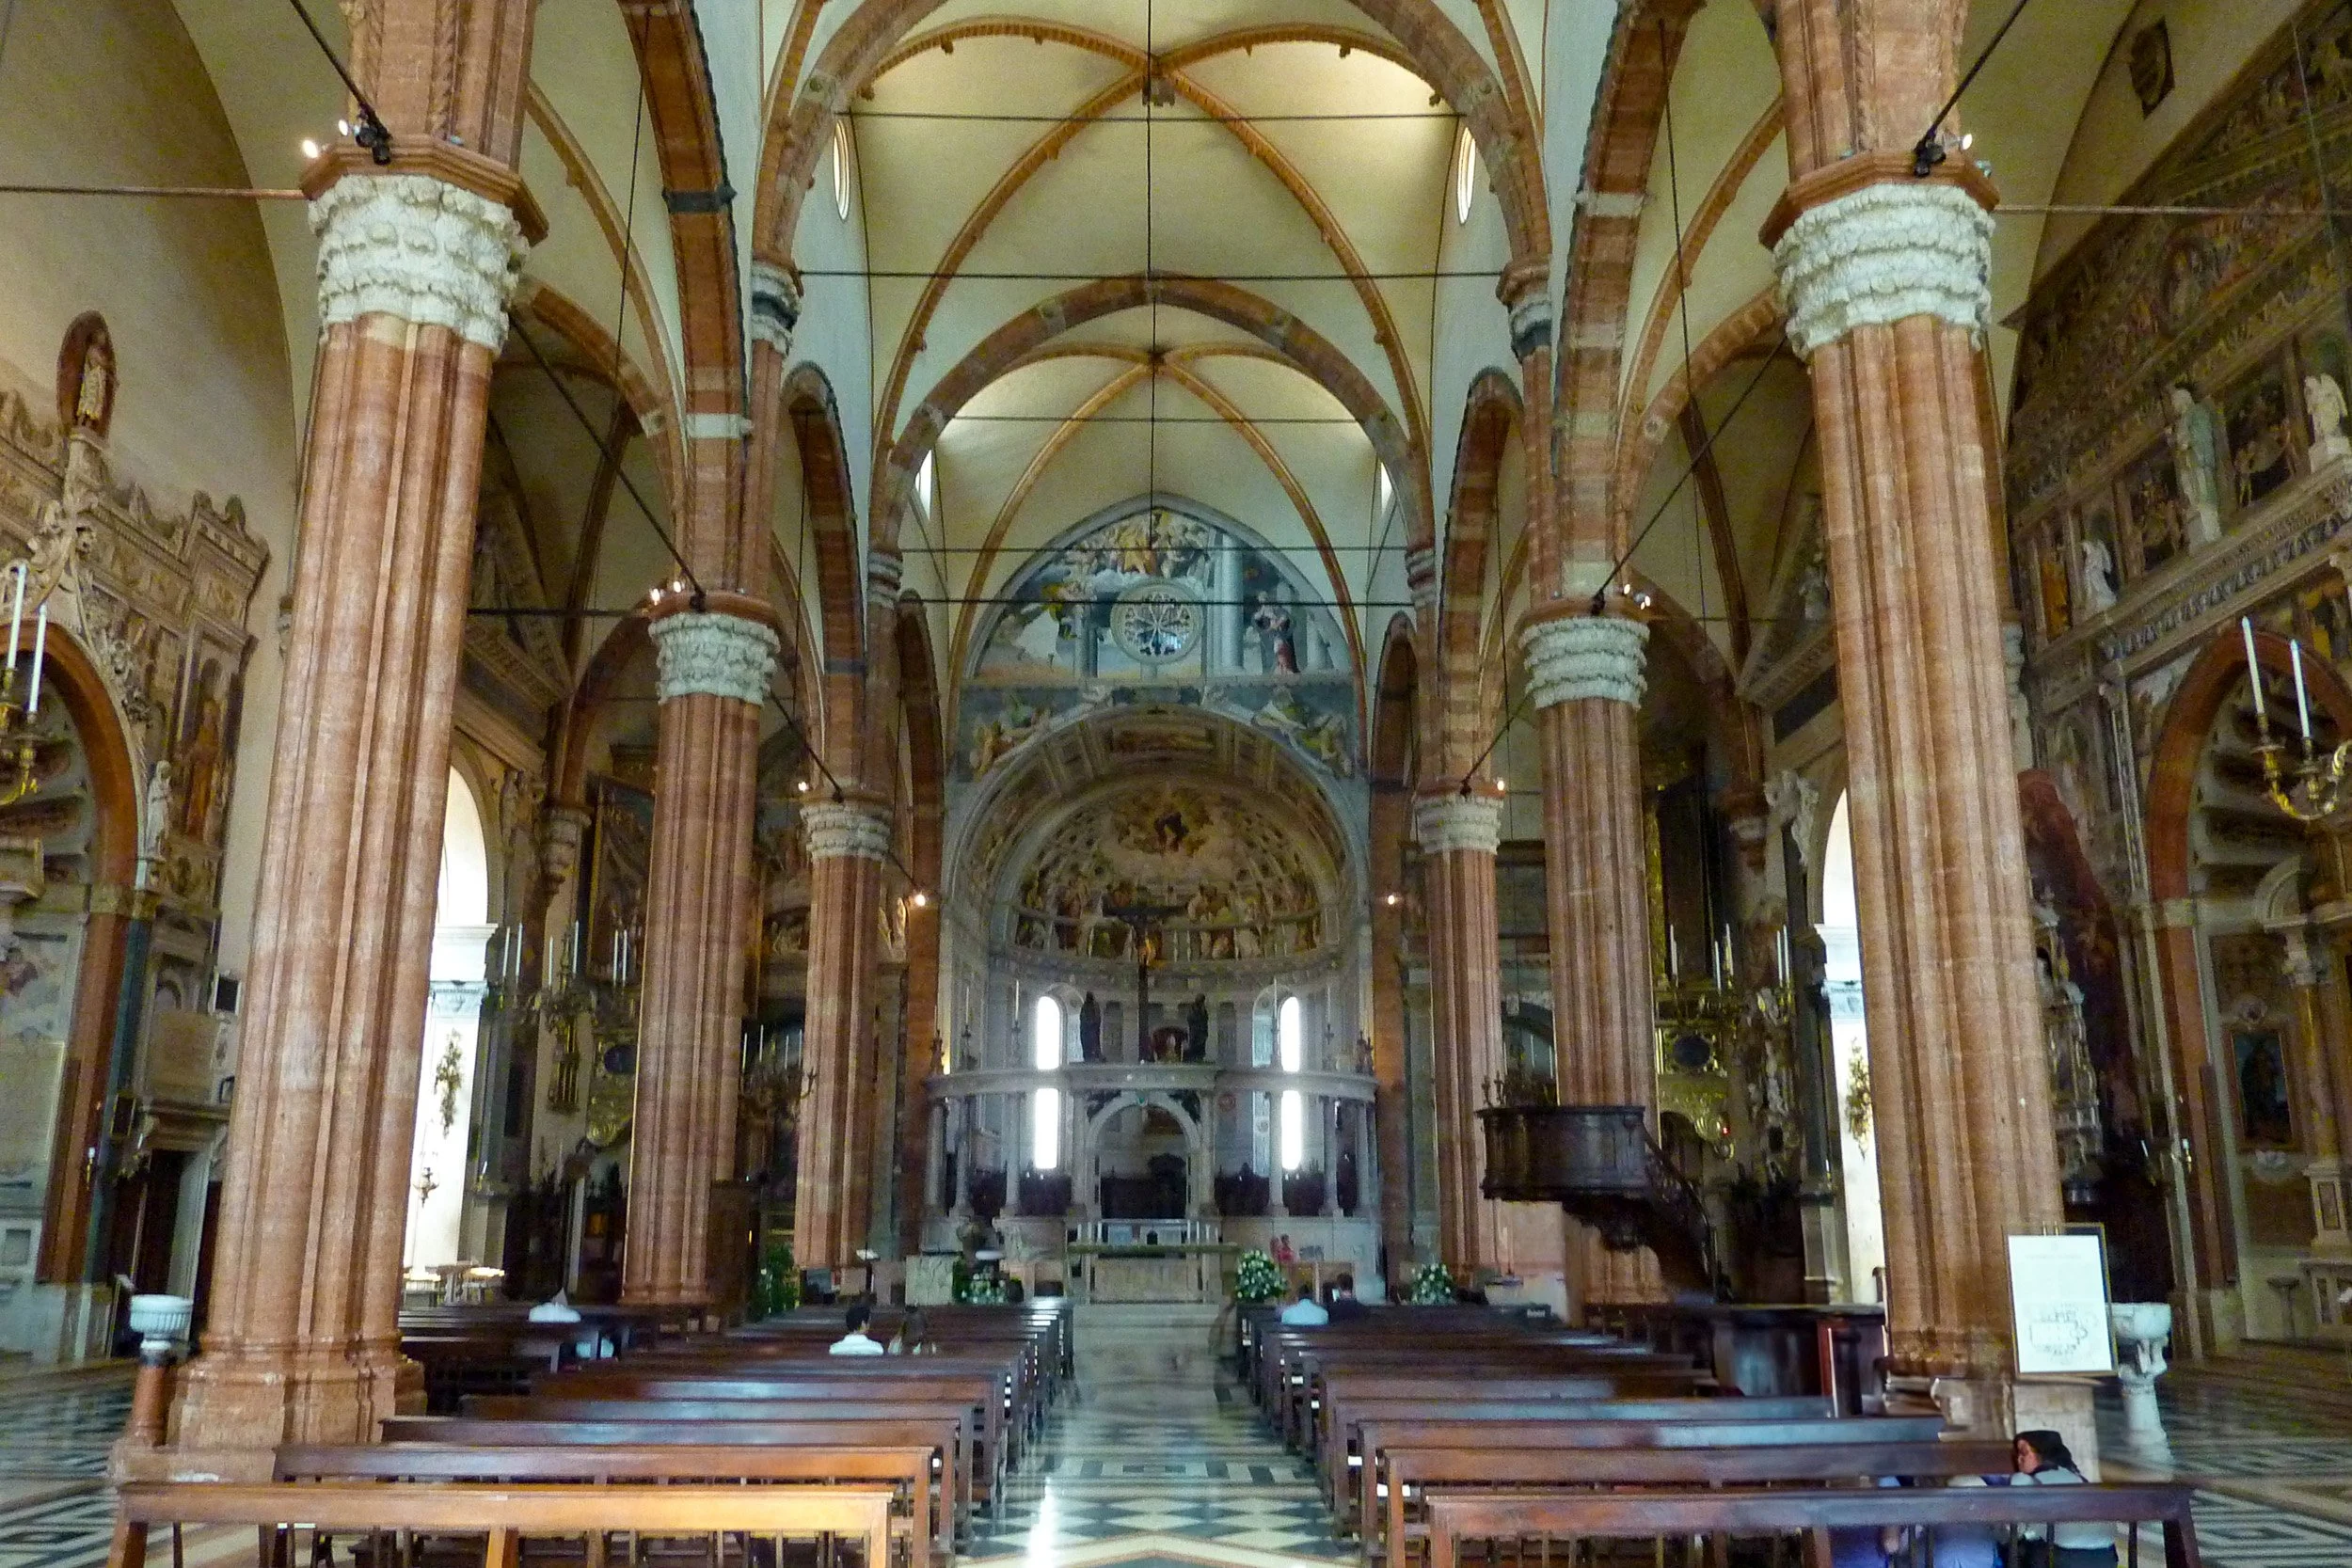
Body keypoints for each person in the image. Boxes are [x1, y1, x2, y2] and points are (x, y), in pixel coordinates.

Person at [2013, 1430, 2118, 1568]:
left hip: (2060, 1558)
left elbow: (2018, 1530)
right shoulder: (2079, 1478)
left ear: (2041, 1452)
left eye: (2024, 1452)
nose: (2018, 1459)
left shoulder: (2024, 1479)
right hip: (2106, 1557)